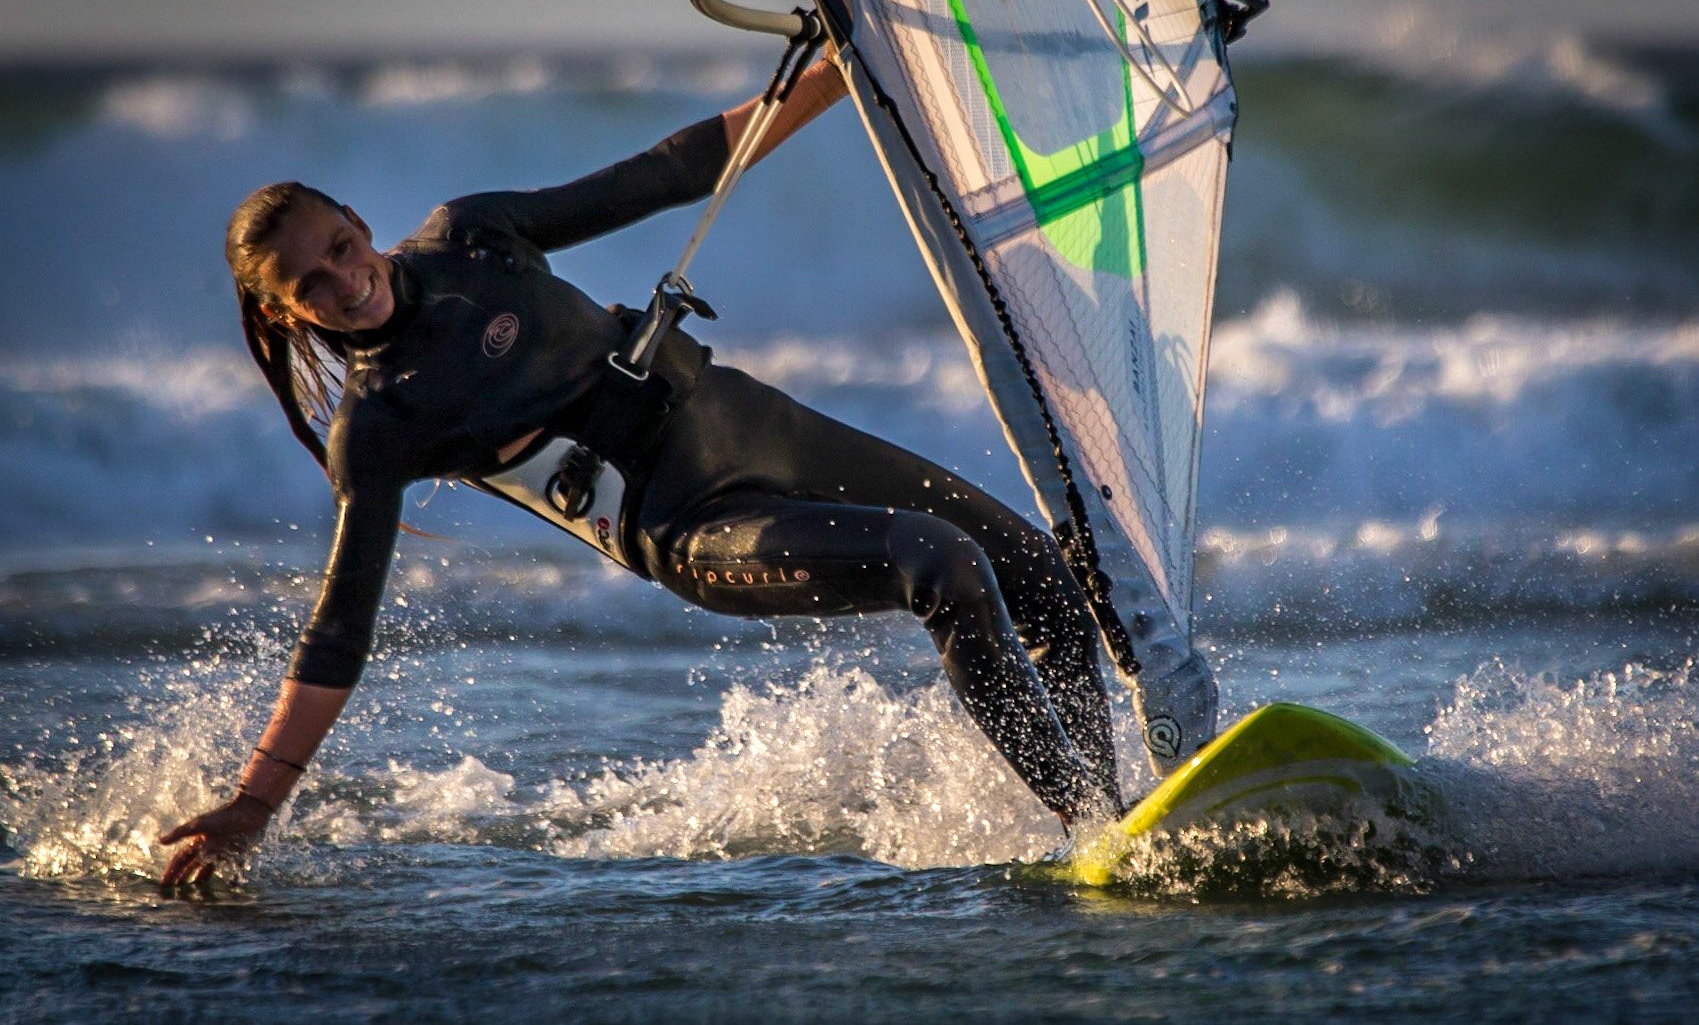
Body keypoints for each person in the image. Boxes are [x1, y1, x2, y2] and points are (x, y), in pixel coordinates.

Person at [158, 58, 1127, 887]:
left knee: (1032, 565)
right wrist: (255, 800)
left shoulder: (472, 236)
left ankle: (1126, 804)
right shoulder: (378, 424)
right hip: (692, 523)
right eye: (310, 288)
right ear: (288, 315)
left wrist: (840, 74)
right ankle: (1096, 829)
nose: (343, 282)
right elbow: (339, 625)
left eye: (339, 247)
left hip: (754, 424)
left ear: (359, 223)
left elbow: (665, 172)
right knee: (938, 561)